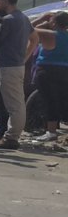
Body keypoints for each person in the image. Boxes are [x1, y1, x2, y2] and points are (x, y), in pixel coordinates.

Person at [0, 0, 37, 149]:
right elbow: (35, 39)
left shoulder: (8, 20)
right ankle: (11, 135)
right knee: (16, 103)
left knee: (14, 105)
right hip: (16, 65)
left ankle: (11, 137)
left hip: (8, 66)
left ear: (6, 0)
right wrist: (24, 58)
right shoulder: (23, 18)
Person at [30, 11, 68, 144]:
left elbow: (27, 29)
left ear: (54, 22)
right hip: (65, 70)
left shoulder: (49, 35)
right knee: (63, 100)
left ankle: (51, 131)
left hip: (47, 70)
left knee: (49, 101)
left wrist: (42, 18)